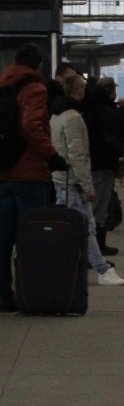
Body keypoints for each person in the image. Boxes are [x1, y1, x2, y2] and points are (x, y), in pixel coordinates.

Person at [0, 42, 68, 312]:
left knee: (3, 239)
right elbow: (31, 125)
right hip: (29, 175)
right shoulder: (35, 88)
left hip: (2, 174)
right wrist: (51, 155)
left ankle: (3, 295)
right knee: (32, 239)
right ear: (38, 65)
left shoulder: (3, 85)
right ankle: (32, 293)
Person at [50, 74, 124, 286]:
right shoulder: (73, 117)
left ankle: (62, 267)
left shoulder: (56, 114)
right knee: (86, 227)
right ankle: (103, 271)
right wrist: (87, 185)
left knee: (71, 227)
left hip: (61, 179)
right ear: (79, 90)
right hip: (72, 180)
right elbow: (77, 154)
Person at [83, 76, 124, 257]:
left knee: (98, 209)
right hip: (102, 165)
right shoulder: (104, 110)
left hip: (97, 163)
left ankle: (97, 248)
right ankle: (96, 250)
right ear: (110, 91)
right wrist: (121, 150)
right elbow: (108, 137)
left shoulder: (91, 107)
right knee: (99, 210)